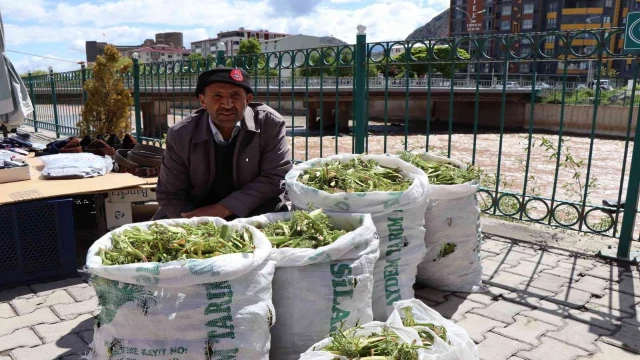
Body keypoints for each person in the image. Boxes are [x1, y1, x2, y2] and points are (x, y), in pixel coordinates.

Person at [153, 67, 293, 221]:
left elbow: (276, 177)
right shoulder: (181, 134)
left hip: (255, 208)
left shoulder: (269, 123)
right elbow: (170, 193)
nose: (227, 104)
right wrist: (194, 222)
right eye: (217, 96)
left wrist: (221, 210)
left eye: (235, 96)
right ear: (203, 101)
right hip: (197, 211)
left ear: (248, 99)